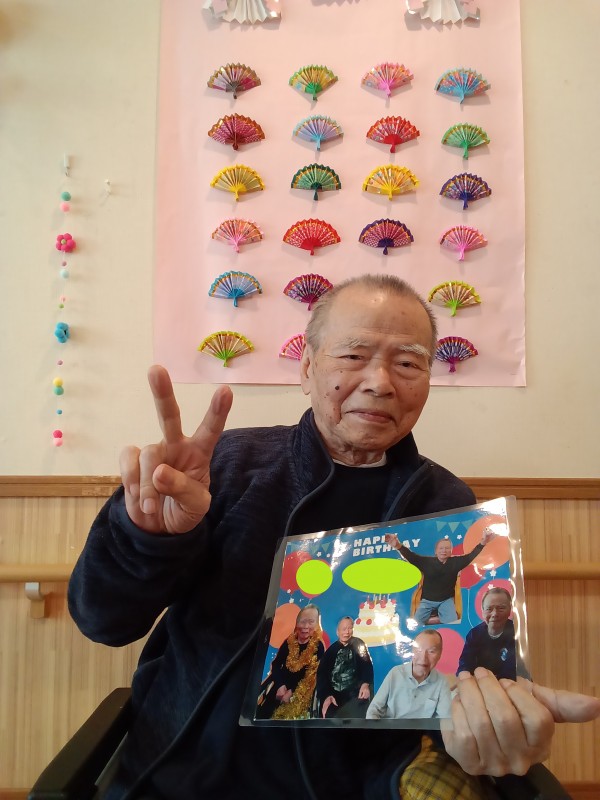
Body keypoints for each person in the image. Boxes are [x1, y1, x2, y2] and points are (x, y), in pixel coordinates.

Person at [68, 274, 600, 800]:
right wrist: (146, 537)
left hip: (355, 783)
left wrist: (487, 728)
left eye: (408, 363)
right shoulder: (225, 468)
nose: (380, 382)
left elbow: (442, 674)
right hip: (185, 774)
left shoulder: (446, 503)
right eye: (352, 355)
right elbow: (103, 621)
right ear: (307, 368)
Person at [385, 530, 496, 624]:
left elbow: (470, 556)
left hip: (446, 600)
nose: (444, 551)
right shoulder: (427, 562)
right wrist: (397, 545)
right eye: (441, 548)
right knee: (416, 623)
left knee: (453, 622)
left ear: (451, 551)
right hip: (427, 601)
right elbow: (411, 556)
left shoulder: (456, 562)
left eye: (447, 548)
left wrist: (483, 542)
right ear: (436, 551)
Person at [256, 604, 324, 720]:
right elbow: (276, 664)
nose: (305, 626)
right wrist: (280, 685)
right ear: (297, 623)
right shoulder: (289, 641)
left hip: (300, 693)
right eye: (302, 621)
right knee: (263, 715)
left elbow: (311, 677)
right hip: (279, 687)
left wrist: (291, 692)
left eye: (311, 622)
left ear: (316, 624)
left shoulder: (318, 646)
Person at [366, 630, 451, 720]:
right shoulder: (396, 673)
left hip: (424, 729)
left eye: (431, 651)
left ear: (440, 654)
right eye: (419, 650)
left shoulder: (442, 682)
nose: (423, 658)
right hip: (391, 728)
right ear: (412, 651)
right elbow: (374, 710)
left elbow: (444, 719)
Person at [316, 616, 373, 719]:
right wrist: (326, 696)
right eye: (343, 629)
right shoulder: (330, 651)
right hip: (334, 696)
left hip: (355, 694)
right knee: (329, 714)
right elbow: (321, 676)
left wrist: (365, 684)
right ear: (337, 632)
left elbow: (367, 666)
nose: (347, 632)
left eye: (349, 628)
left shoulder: (359, 644)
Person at [457, 587, 518, 680]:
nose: (494, 614)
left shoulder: (517, 633)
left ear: (510, 609)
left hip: (510, 683)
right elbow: (464, 665)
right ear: (482, 610)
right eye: (489, 609)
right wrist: (464, 676)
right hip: (479, 682)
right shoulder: (474, 634)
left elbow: (512, 672)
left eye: (501, 608)